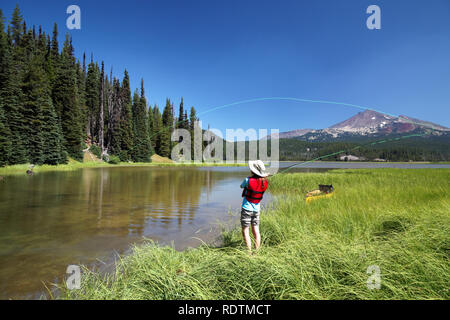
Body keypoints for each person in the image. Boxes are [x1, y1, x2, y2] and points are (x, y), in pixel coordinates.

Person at [240, 160, 269, 253]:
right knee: (256, 230)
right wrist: (264, 177)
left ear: (253, 171)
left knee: (245, 230)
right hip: (256, 209)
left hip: (246, 209)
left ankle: (248, 253)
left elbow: (241, 186)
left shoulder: (247, 180)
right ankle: (256, 252)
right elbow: (260, 181)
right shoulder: (265, 182)